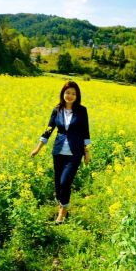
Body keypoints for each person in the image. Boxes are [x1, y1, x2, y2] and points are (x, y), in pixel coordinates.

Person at [30, 80, 91, 223]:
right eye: (67, 92)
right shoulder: (56, 110)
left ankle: (62, 212)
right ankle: (61, 204)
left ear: (77, 96)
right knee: (58, 183)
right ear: (63, 93)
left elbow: (85, 132)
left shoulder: (82, 111)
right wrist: (37, 148)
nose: (70, 96)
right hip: (58, 152)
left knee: (65, 183)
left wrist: (87, 152)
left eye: (73, 93)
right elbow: (48, 130)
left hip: (74, 153)